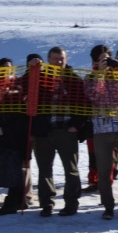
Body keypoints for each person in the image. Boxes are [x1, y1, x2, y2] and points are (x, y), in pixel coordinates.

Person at [24, 48, 87, 217]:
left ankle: (71, 203)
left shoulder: (73, 78)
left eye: (62, 59)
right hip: (44, 131)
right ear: (48, 59)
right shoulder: (40, 75)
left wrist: (77, 125)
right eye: (55, 59)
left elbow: (85, 104)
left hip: (66, 130)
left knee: (71, 170)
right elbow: (23, 87)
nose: (59, 62)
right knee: (45, 170)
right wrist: (31, 69)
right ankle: (46, 203)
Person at [84, 44, 118, 220]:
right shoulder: (90, 77)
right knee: (103, 170)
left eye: (108, 59)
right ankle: (108, 206)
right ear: (95, 62)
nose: (107, 63)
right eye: (102, 60)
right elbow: (94, 96)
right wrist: (100, 74)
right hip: (102, 129)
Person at [0, 59, 27, 215]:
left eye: (9, 68)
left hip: (16, 133)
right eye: (3, 68)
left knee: (14, 168)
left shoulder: (17, 85)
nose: (6, 71)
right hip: (3, 133)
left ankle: (14, 201)